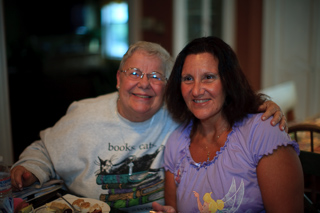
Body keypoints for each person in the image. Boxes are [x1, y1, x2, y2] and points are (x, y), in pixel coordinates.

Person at [11, 41, 287, 212]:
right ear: (119, 79)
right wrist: (31, 167)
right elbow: (45, 148)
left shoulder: (180, 118)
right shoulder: (84, 114)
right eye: (134, 73)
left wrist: (262, 105)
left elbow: (220, 108)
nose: (144, 83)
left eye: (156, 75)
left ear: (167, 87)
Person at [152, 36, 304, 212]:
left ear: (228, 81)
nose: (196, 90)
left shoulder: (262, 132)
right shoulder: (176, 142)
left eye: (208, 77)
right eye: (188, 79)